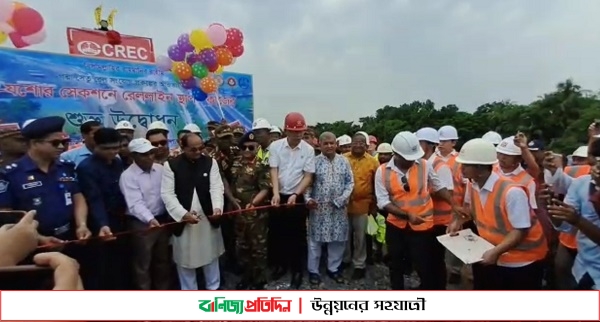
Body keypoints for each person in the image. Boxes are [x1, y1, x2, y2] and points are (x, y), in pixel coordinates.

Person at [449, 138, 548, 290]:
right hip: (494, 254)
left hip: (522, 260)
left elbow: (520, 230)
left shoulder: (512, 192)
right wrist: (458, 221)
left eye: (466, 165)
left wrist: (496, 251)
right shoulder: (474, 184)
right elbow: (472, 211)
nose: (461, 168)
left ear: (480, 168)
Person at [375, 131, 454, 290]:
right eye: (407, 158)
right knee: (396, 263)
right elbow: (383, 201)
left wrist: (454, 204)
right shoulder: (382, 171)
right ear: (395, 154)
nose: (412, 161)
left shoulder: (424, 165)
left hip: (422, 226)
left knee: (424, 264)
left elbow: (438, 186)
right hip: (396, 226)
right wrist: (406, 215)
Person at [0, 116, 90, 247]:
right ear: (35, 143)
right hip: (29, 244)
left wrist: (82, 225)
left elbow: (77, 196)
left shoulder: (66, 167)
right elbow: (6, 215)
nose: (61, 147)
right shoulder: (10, 174)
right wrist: (39, 238)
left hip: (69, 237)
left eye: (64, 142)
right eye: (55, 143)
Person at [161, 133, 225, 290]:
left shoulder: (210, 162)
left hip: (207, 218)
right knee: (185, 260)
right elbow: (167, 194)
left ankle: (213, 289)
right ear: (182, 148)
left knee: (211, 257)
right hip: (184, 220)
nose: (198, 152)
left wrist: (217, 207)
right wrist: (183, 214)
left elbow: (216, 187)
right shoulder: (171, 165)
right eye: (193, 149)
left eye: (201, 148)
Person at [76, 128, 128, 290]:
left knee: (120, 266)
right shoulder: (86, 168)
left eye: (116, 147)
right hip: (99, 225)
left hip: (120, 221)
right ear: (96, 146)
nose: (113, 152)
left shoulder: (117, 162)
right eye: (107, 149)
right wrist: (103, 224)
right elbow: (94, 199)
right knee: (100, 269)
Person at [269, 112, 315, 289]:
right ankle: (281, 266)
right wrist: (275, 193)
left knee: (297, 235)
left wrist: (296, 194)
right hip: (278, 195)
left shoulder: (308, 149)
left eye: (301, 131)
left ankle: (297, 270)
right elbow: (274, 170)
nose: (298, 135)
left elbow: (308, 175)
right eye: (294, 131)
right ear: (286, 130)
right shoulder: (275, 147)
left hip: (297, 195)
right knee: (278, 233)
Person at [119, 138, 170, 290]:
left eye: (151, 153)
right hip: (141, 224)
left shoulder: (160, 169)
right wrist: (150, 219)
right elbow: (135, 203)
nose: (150, 157)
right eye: (144, 154)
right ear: (133, 156)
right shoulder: (127, 176)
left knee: (163, 260)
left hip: (162, 220)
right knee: (143, 263)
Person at [306, 132, 354, 285]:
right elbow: (307, 184)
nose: (329, 146)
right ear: (319, 145)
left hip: (338, 209)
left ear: (336, 144)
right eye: (325, 143)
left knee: (338, 241)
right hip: (318, 210)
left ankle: (333, 269)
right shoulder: (313, 162)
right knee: (315, 242)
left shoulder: (344, 161)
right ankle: (313, 271)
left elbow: (350, 183)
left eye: (332, 143)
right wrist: (308, 199)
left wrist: (342, 199)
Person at [230, 131, 272, 290]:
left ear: (257, 148)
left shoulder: (262, 162)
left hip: (256, 214)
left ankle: (259, 279)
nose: (247, 151)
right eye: (244, 148)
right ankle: (246, 277)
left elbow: (265, 188)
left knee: (258, 247)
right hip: (239, 213)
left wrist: (254, 203)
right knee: (242, 246)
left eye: (251, 147)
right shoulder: (236, 162)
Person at [415, 127, 455, 284]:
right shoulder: (422, 164)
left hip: (439, 222)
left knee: (436, 260)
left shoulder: (440, 166)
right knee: (426, 258)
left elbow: (447, 193)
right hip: (427, 219)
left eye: (419, 142)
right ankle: (426, 286)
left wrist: (424, 191)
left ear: (429, 145)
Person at [342, 132, 379, 279]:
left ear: (366, 145)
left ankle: (359, 264)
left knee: (360, 237)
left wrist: (374, 205)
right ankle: (345, 260)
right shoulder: (343, 159)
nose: (358, 145)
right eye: (355, 142)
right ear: (351, 144)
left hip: (363, 204)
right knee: (344, 235)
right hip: (343, 205)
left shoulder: (372, 162)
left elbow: (376, 184)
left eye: (361, 143)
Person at [495, 136, 539, 210]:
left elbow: (530, 209)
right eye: (500, 153)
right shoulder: (491, 170)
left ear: (518, 158)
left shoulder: (527, 180)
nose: (502, 157)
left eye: (507, 155)